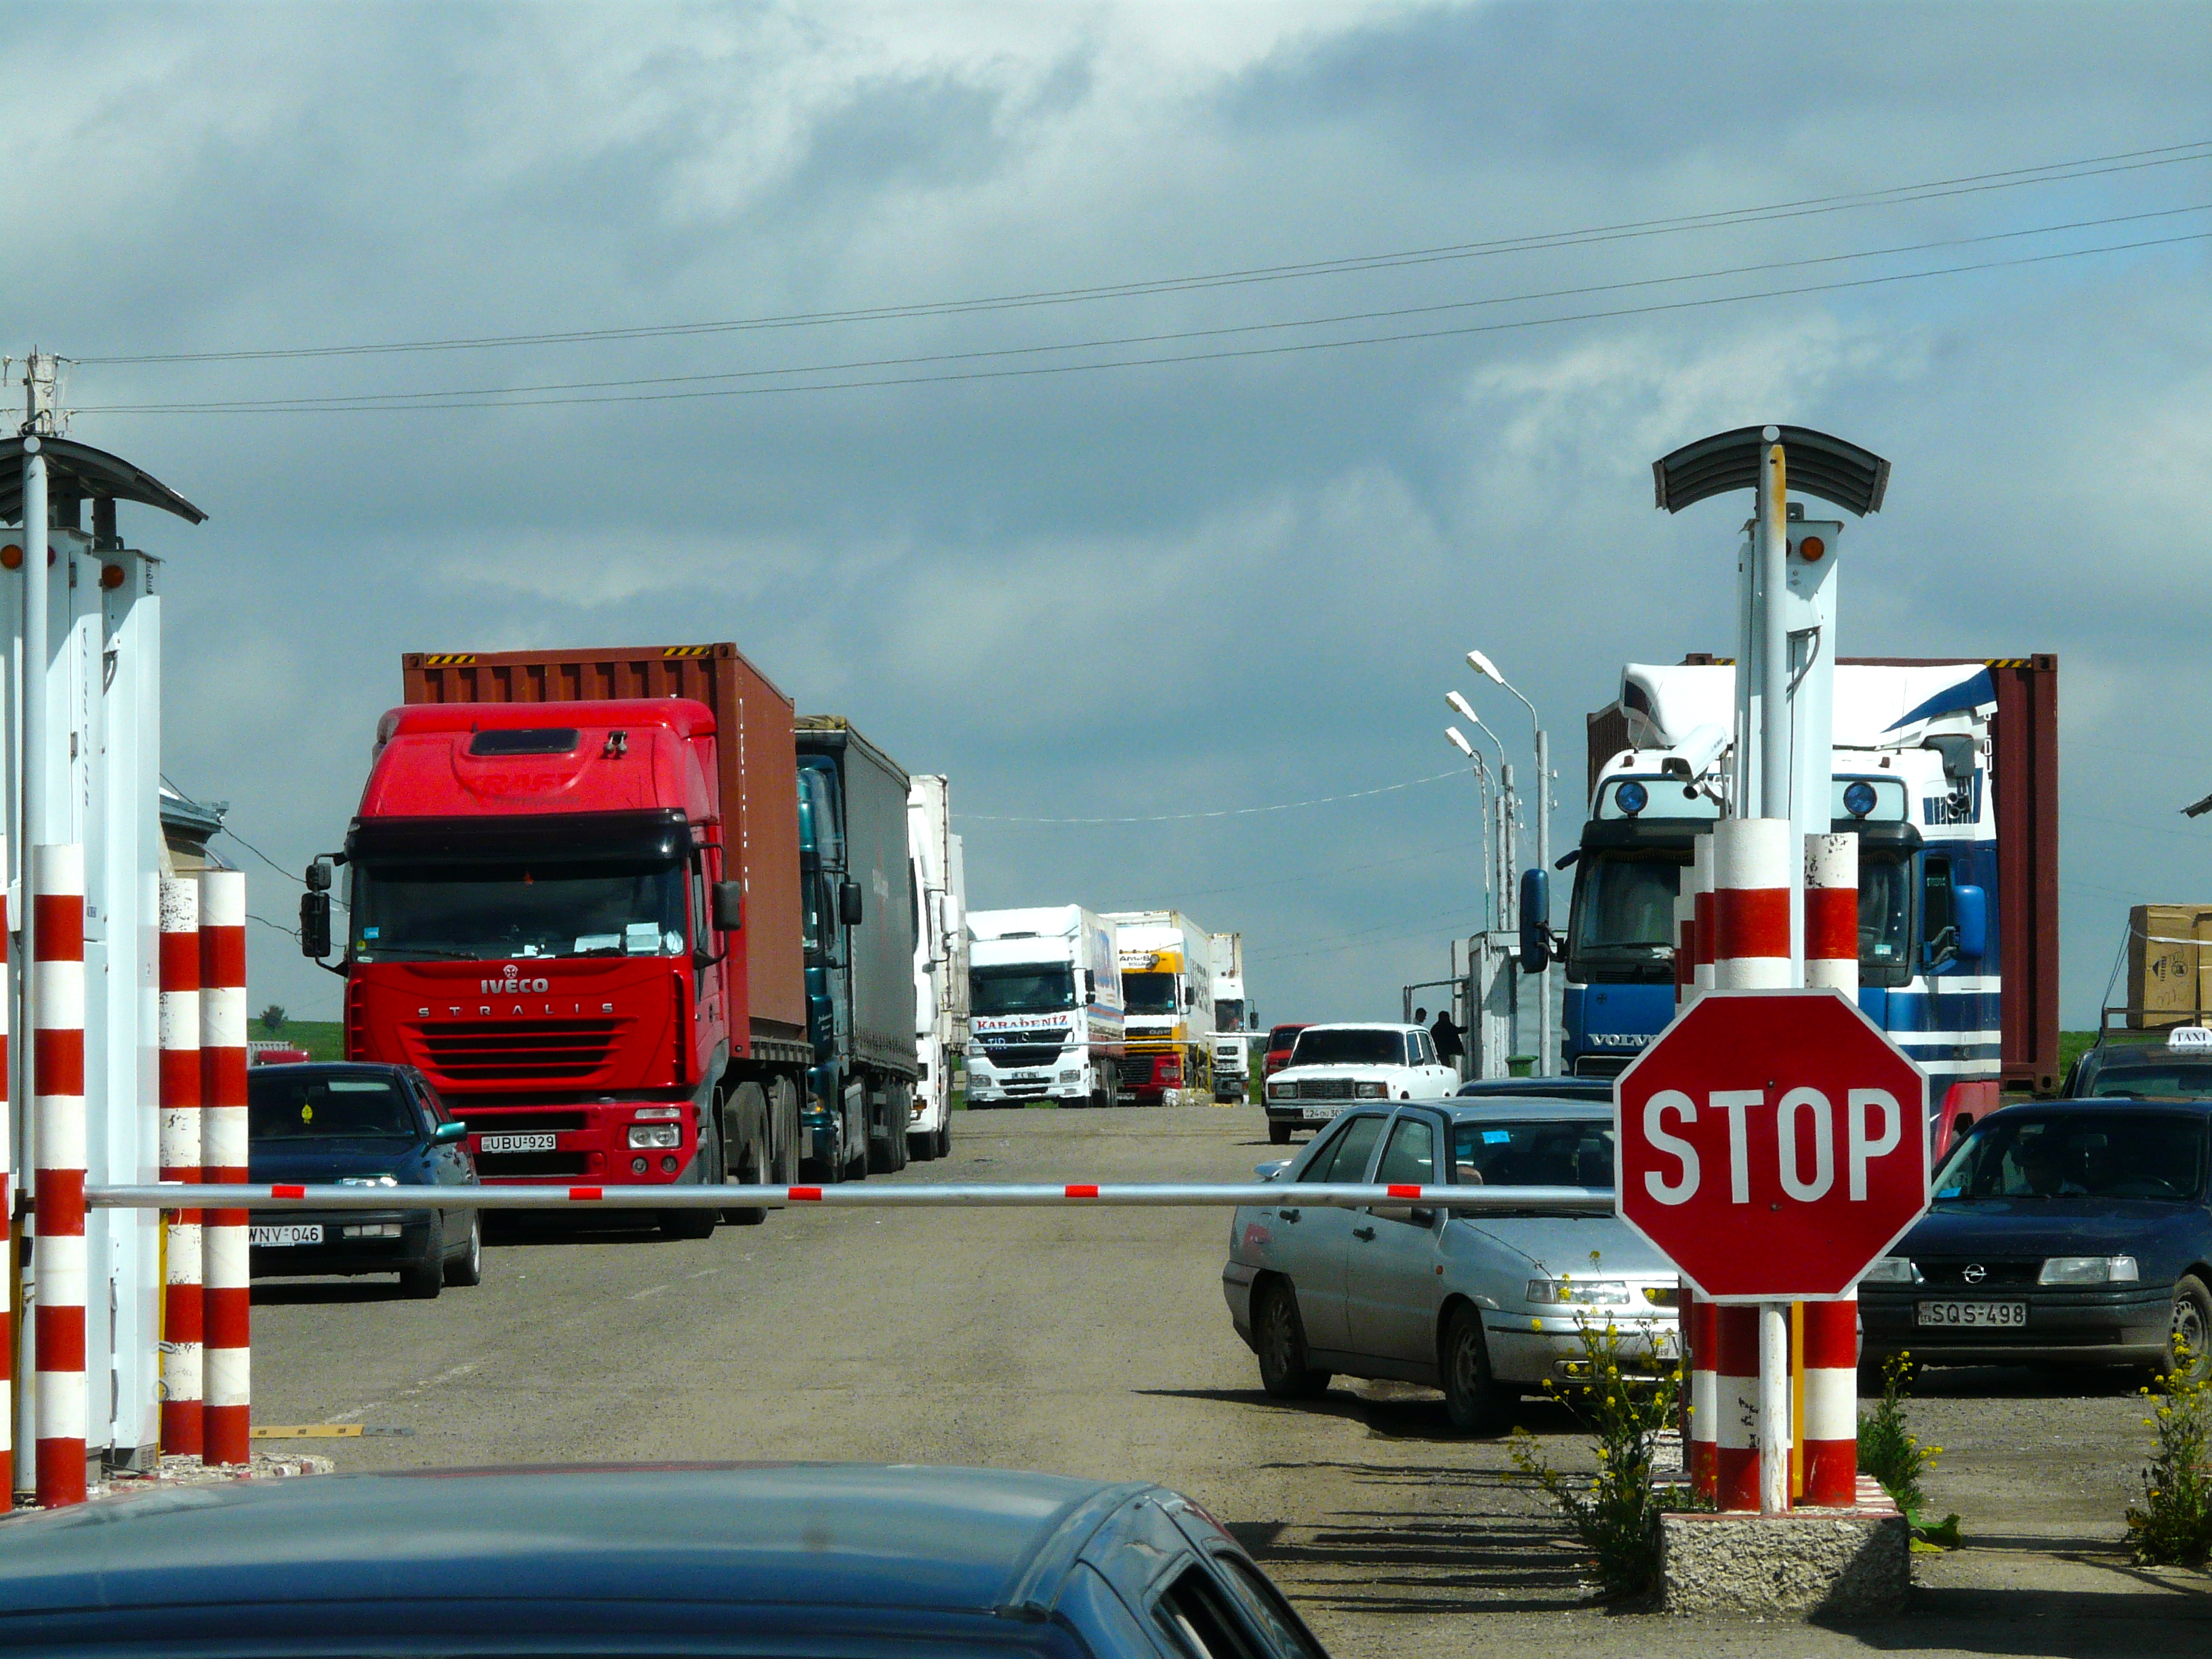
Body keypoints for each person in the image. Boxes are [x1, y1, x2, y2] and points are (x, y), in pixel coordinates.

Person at [1431, 1009, 1466, 1074]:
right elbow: (1456, 1030)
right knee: (1450, 1069)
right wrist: (1467, 1029)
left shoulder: (1435, 1028)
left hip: (1440, 1053)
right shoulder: (1447, 1026)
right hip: (1449, 1052)